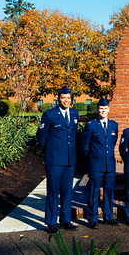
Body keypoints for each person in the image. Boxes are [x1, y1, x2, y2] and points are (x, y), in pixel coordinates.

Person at [36, 86, 79, 234]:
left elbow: (72, 135)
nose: (66, 100)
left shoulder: (74, 114)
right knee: (53, 191)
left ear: (71, 99)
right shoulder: (50, 115)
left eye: (68, 98)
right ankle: (52, 222)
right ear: (58, 99)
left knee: (67, 191)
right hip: (54, 160)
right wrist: (48, 152)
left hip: (69, 160)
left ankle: (65, 220)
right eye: (63, 98)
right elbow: (41, 136)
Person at [80, 98, 119, 229]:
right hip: (96, 165)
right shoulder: (91, 125)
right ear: (98, 110)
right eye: (101, 109)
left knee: (109, 191)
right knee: (94, 191)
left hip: (110, 164)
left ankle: (108, 216)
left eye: (105, 108)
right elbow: (84, 145)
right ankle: (92, 218)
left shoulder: (114, 125)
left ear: (108, 109)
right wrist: (92, 157)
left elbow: (113, 142)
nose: (103, 111)